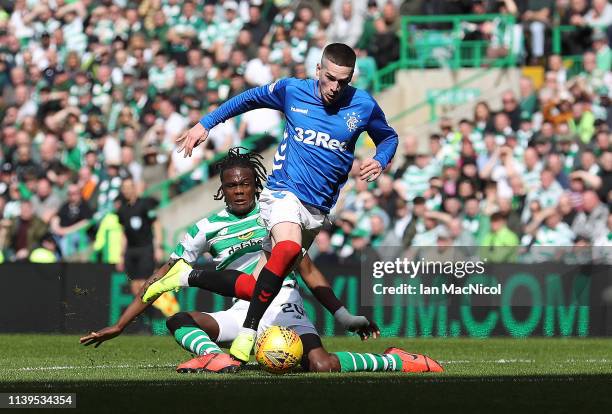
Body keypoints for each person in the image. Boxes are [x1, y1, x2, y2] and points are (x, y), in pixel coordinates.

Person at [81, 149, 439, 374]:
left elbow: (307, 268)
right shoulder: (205, 229)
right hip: (242, 307)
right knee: (179, 319)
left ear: (256, 184)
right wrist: (120, 324)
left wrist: (342, 315)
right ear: (222, 188)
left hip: (283, 302)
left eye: (245, 184)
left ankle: (393, 359)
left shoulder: (276, 213)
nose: (239, 191)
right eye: (232, 185)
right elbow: (160, 277)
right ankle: (217, 359)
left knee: (321, 365)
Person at [153, 43, 398, 362]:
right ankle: (247, 334)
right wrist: (205, 124)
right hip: (283, 192)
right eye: (331, 78)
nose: (336, 87)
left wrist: (380, 159)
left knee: (261, 280)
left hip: (317, 209)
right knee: (287, 249)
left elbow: (388, 136)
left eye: (344, 81)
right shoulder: (292, 90)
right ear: (318, 71)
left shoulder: (363, 104)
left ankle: (187, 276)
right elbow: (247, 99)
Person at [115, 177, 164, 300]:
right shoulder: (122, 210)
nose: (126, 190)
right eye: (124, 188)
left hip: (145, 249)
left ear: (134, 188)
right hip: (131, 251)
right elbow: (124, 233)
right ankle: (139, 316)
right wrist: (121, 255)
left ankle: (147, 313)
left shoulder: (145, 204)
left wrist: (158, 247)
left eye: (129, 187)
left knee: (144, 283)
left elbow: (156, 224)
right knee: (134, 284)